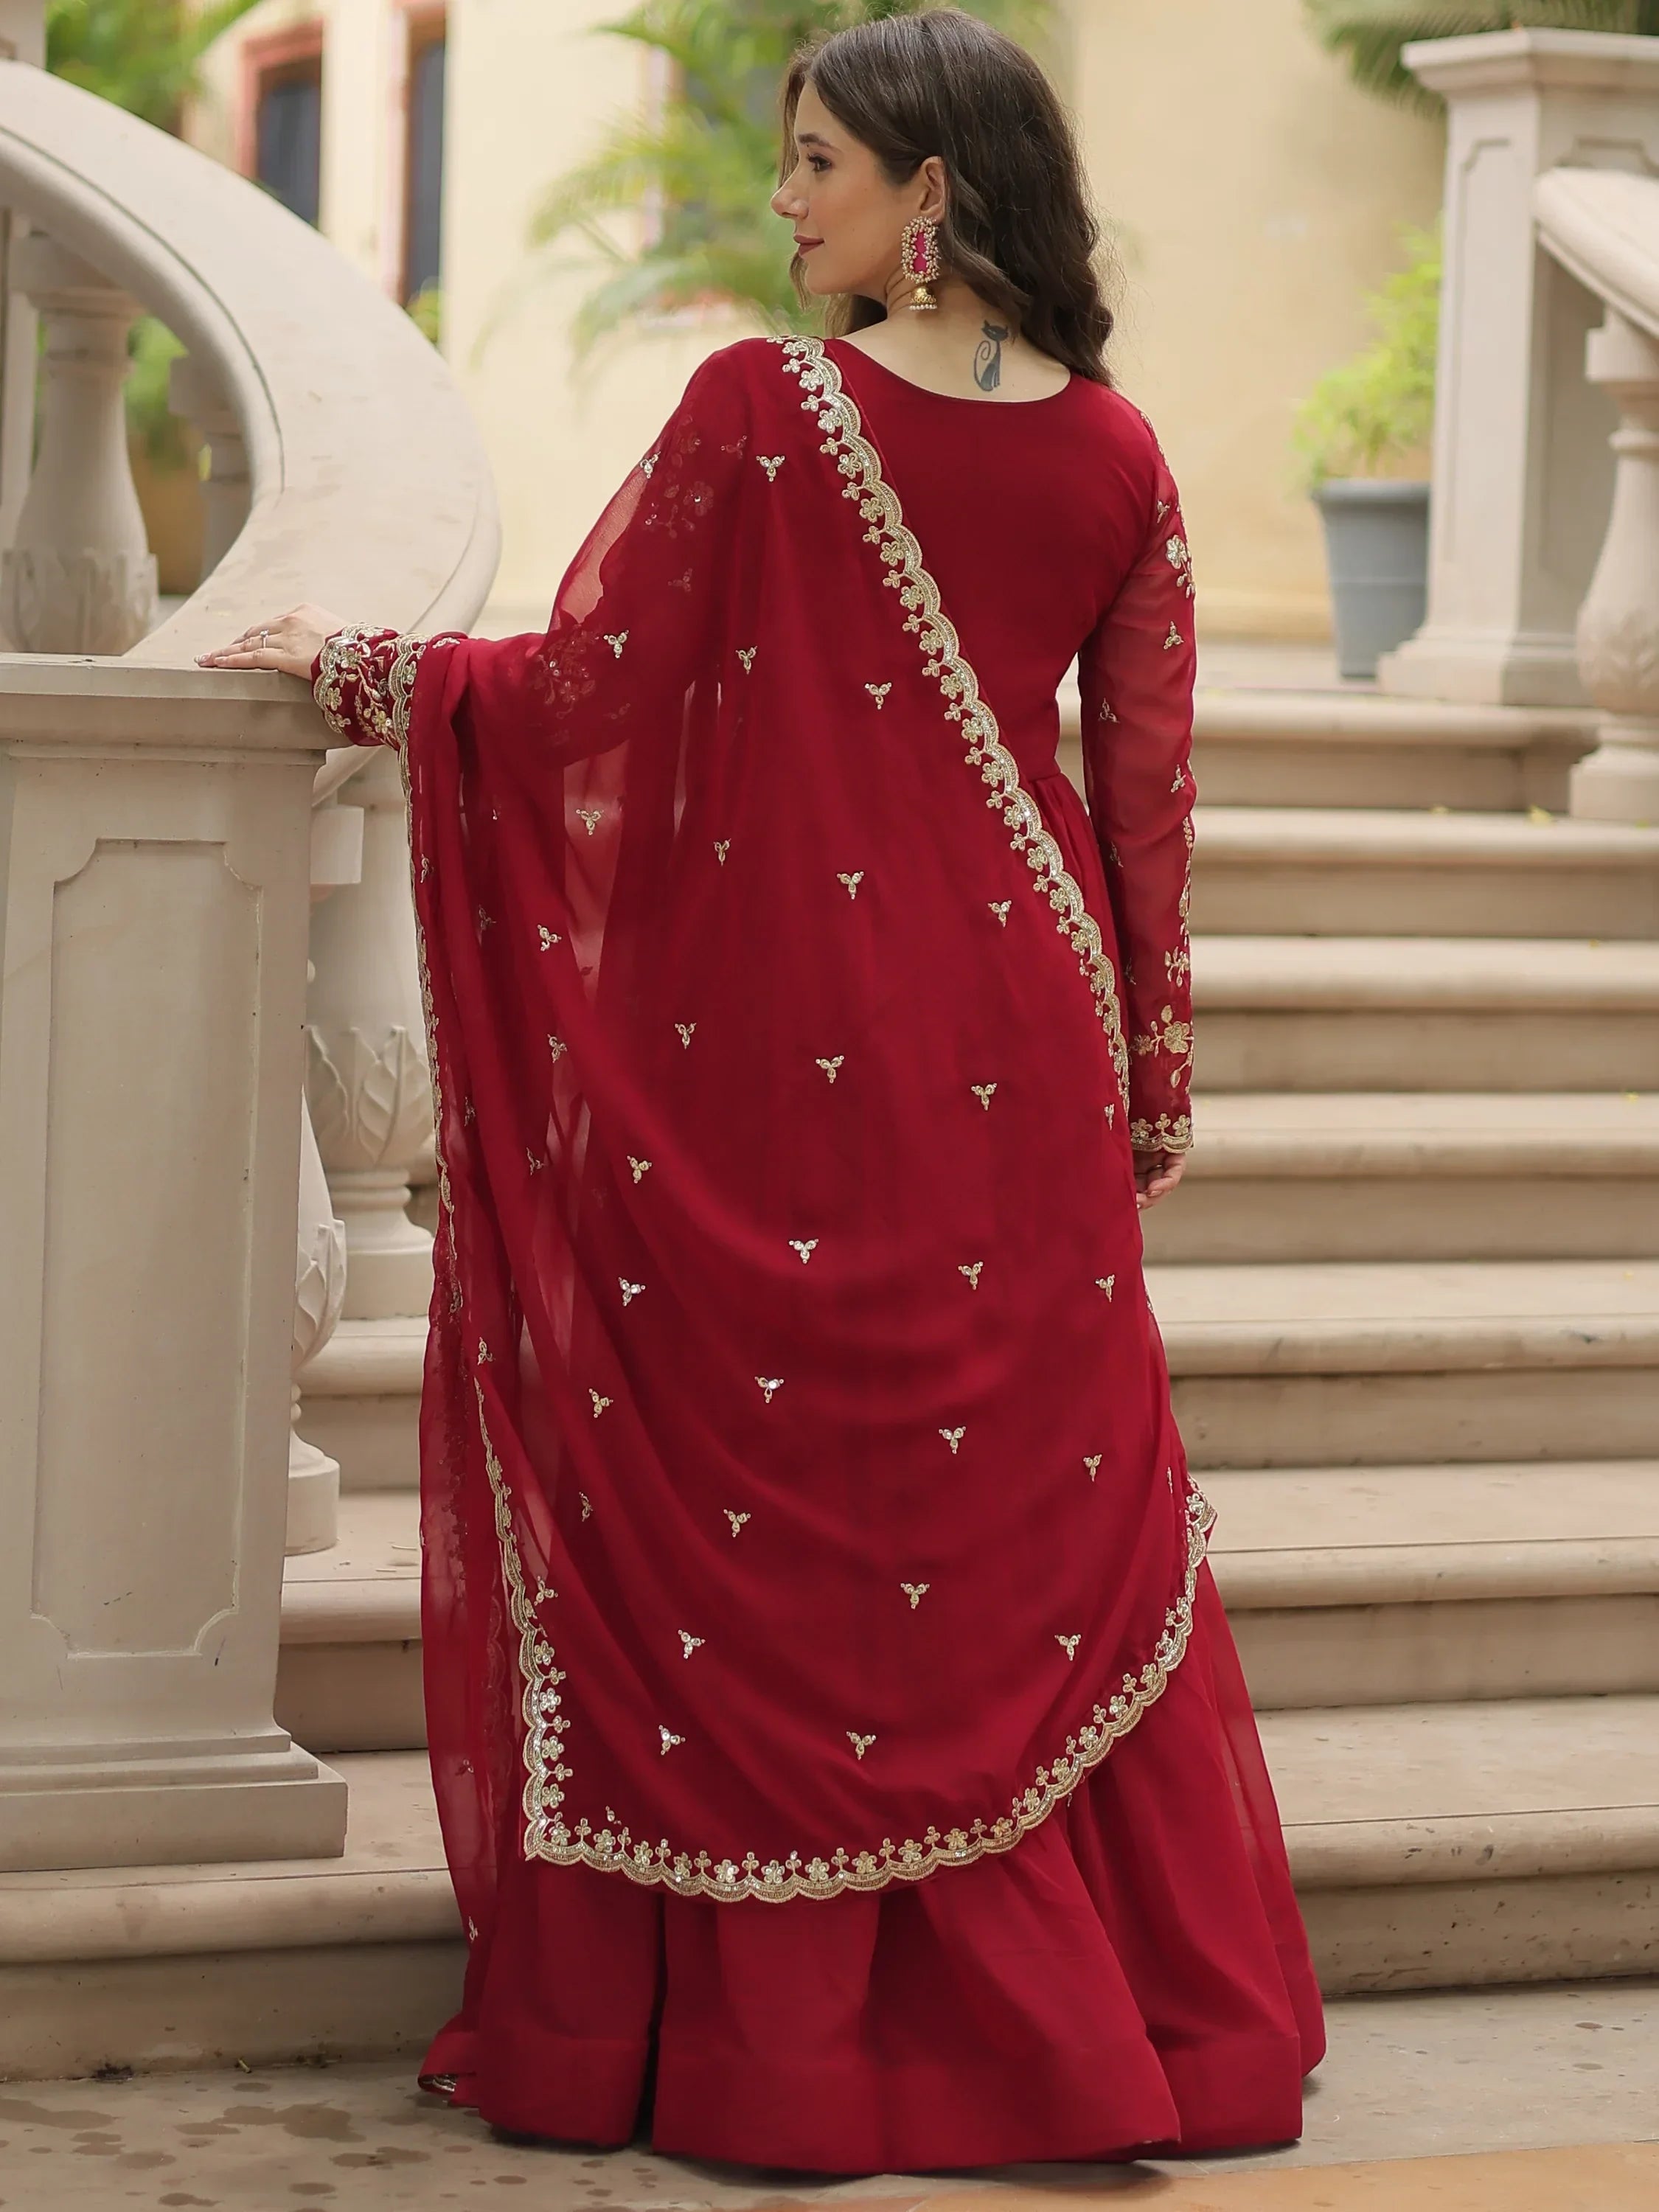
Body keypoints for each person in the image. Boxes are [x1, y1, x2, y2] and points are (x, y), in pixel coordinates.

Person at [204, 7, 1324, 2173]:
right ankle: (1098, 2035)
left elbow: (586, 688)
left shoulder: (767, 412)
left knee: (778, 1492)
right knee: (990, 1513)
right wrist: (1144, 1078)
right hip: (1017, 1036)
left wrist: (363, 667)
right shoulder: (1118, 451)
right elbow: (1143, 801)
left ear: (931, 199)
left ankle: (774, 2040)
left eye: (818, 163)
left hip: (794, 1031)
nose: (782, 197)